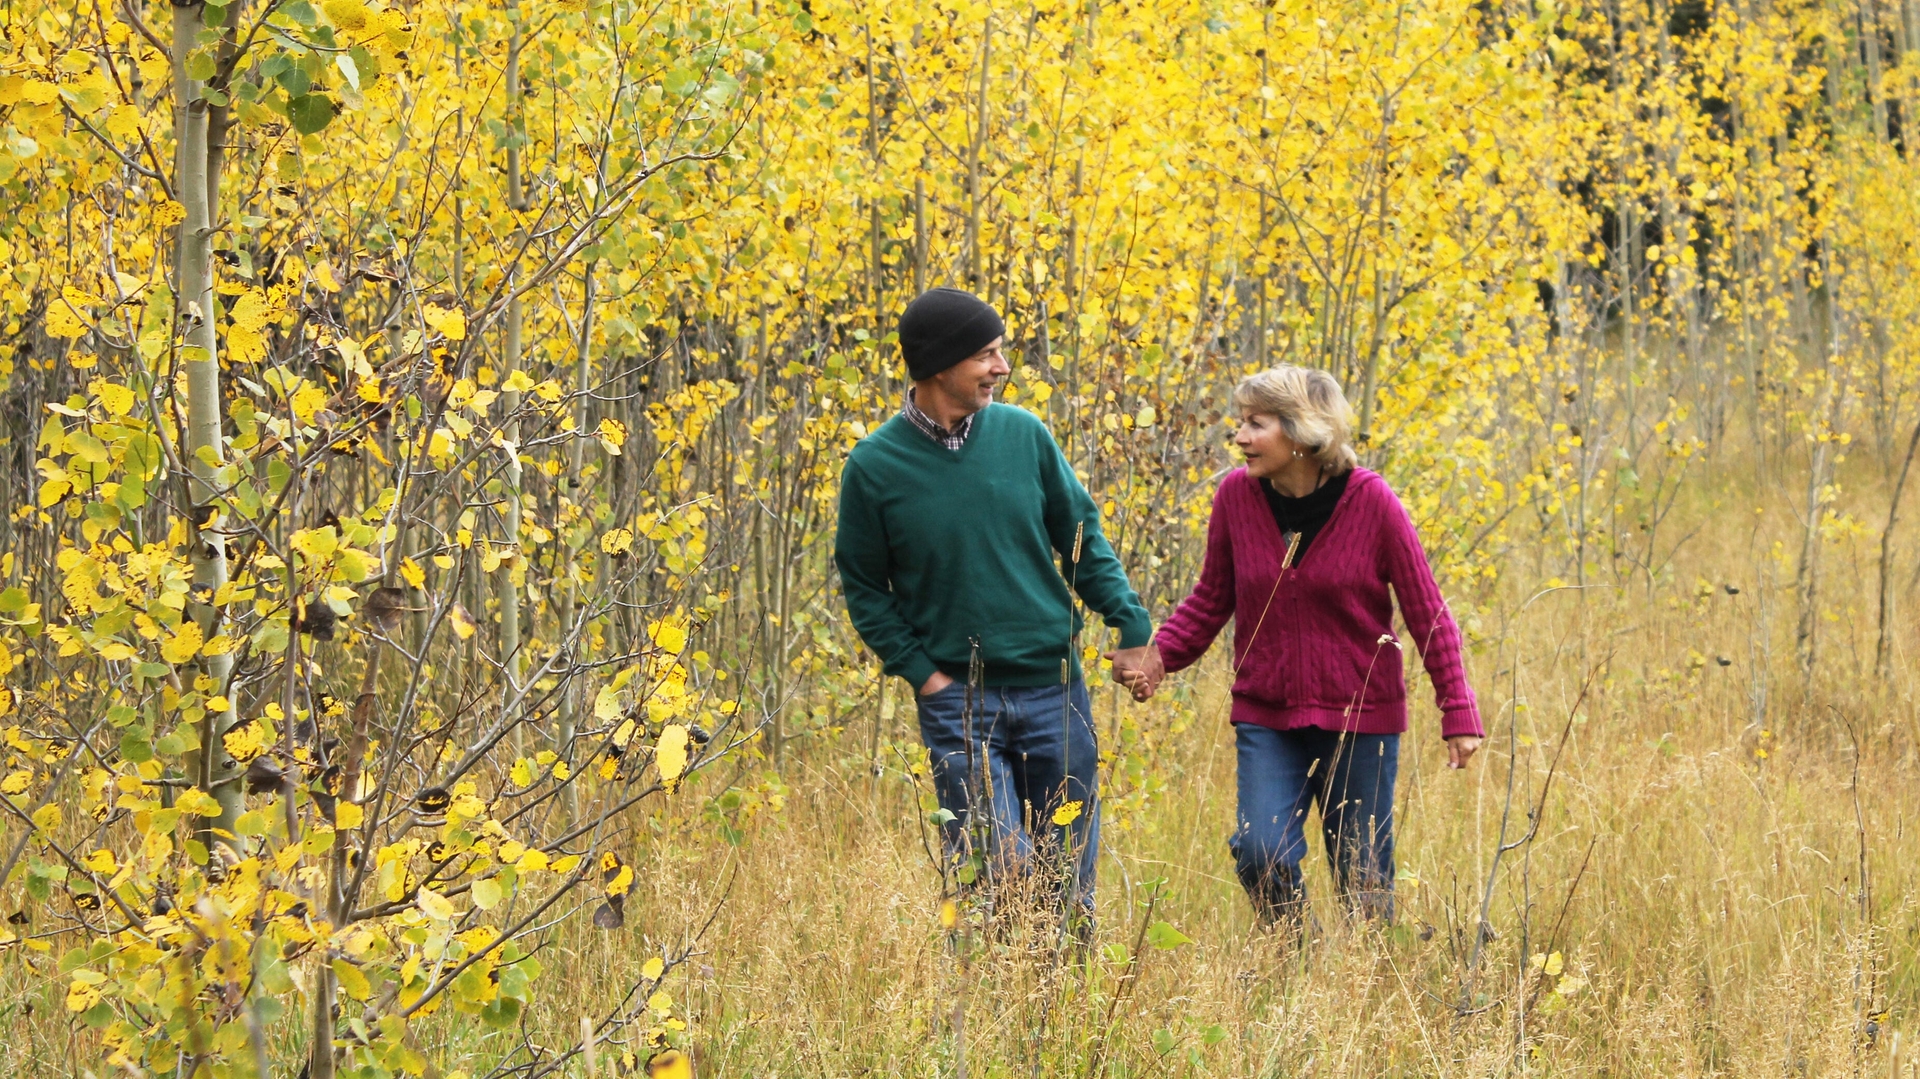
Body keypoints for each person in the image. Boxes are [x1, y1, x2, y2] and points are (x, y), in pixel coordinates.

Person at [834, 287, 1161, 928]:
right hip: (961, 704)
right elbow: (865, 590)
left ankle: (1061, 1016)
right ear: (938, 365)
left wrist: (1131, 623)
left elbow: (1081, 539)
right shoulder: (874, 467)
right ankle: (994, 1013)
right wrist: (924, 675)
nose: (1001, 368)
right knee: (998, 875)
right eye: (986, 354)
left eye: (999, 352)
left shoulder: (1023, 435)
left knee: (1066, 882)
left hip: (1055, 692)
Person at [1113, 365, 1482, 927]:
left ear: (1303, 432)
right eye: (1241, 423)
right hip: (1269, 715)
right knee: (1259, 850)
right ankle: (1297, 955)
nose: (1239, 437)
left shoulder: (1374, 503)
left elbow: (1427, 612)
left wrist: (1457, 709)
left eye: (1255, 424)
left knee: (1364, 881)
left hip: (1361, 718)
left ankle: (1363, 992)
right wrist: (1157, 655)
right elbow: (1212, 600)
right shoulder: (1237, 498)